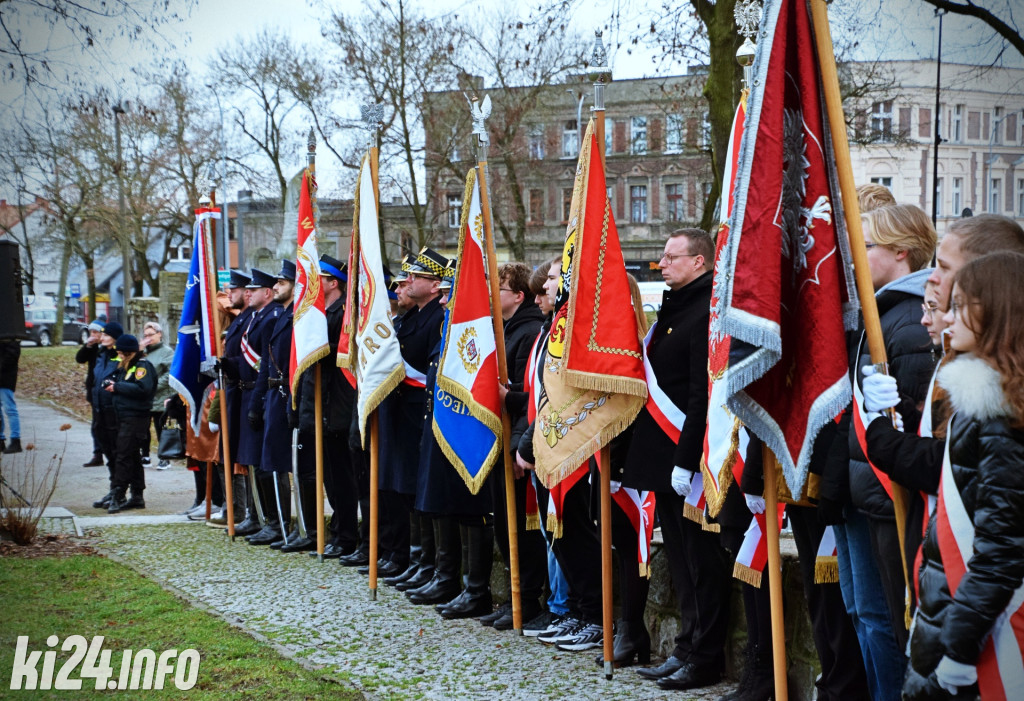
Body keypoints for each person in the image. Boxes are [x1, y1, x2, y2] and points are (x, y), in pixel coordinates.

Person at [823, 203, 937, 701]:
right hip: (860, 486)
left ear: (900, 251)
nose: (856, 258)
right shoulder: (881, 309)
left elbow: (909, 425)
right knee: (862, 613)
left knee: (886, 620)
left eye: (866, 247)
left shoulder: (909, 319)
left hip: (885, 492)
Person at [903, 253, 1024, 700]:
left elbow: (1002, 551)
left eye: (961, 306)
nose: (946, 320)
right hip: (949, 613)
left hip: (979, 634)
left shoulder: (1000, 417)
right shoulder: (982, 402)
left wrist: (957, 647)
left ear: (997, 309)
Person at [625, 228, 731, 691]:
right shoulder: (674, 308)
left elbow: (698, 396)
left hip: (689, 460)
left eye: (671, 257)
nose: (661, 264)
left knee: (702, 562)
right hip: (663, 457)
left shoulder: (705, 313)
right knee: (684, 563)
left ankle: (705, 656)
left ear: (700, 263)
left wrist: (686, 462)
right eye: (662, 258)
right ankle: (687, 647)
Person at [372, 248, 445, 578]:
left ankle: (422, 562)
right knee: (395, 486)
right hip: (397, 412)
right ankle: (406, 556)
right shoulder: (411, 318)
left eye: (415, 277)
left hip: (416, 414)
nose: (407, 282)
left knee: (413, 488)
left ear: (434, 286)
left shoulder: (437, 318)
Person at [483, 262, 547, 630]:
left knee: (522, 529)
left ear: (518, 296)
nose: (494, 296)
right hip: (501, 440)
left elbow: (529, 396)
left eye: (500, 289)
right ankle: (513, 597)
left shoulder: (527, 332)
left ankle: (528, 599)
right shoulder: (506, 330)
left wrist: (518, 446)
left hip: (518, 444)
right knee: (504, 528)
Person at [297, 253, 358, 559]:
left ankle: (346, 536)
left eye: (319, 280)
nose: (312, 285)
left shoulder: (343, 312)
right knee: (330, 478)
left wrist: (322, 347)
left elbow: (346, 351)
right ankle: (338, 532)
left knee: (342, 479)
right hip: (320, 405)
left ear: (333, 283)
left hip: (338, 406)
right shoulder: (319, 312)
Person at [101, 334, 156, 513]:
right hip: (124, 416)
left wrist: (117, 387)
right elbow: (108, 378)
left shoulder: (142, 367)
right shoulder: (125, 367)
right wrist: (109, 383)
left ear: (129, 352)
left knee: (123, 455)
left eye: (121, 353)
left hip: (136, 418)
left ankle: (119, 493)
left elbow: (143, 388)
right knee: (131, 456)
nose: (120, 357)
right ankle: (137, 495)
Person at [90, 322, 124, 510]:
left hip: (114, 411)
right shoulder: (101, 355)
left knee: (118, 453)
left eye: (105, 336)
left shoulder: (120, 357)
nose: (101, 338)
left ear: (115, 338)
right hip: (99, 411)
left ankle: (120, 491)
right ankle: (113, 488)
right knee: (108, 453)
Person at [140, 321, 175, 469]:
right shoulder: (143, 352)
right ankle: (145, 455)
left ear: (159, 334)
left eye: (151, 334)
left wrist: (152, 386)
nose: (148, 338)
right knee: (143, 428)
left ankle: (164, 457)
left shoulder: (167, 352)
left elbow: (169, 374)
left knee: (161, 428)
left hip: (160, 397)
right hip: (143, 398)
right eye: (145, 335)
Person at [77, 319, 108, 467]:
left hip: (108, 390)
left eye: (96, 332)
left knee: (109, 423)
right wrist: (88, 346)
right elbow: (80, 359)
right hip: (94, 389)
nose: (93, 335)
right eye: (91, 332)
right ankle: (98, 453)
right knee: (96, 423)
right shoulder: (92, 348)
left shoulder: (109, 347)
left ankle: (111, 451)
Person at [0, 338, 22, 454]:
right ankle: (1, 439)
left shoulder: (11, 342)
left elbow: (10, 359)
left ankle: (15, 440)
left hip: (5, 380)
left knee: (10, 409)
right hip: (4, 378)